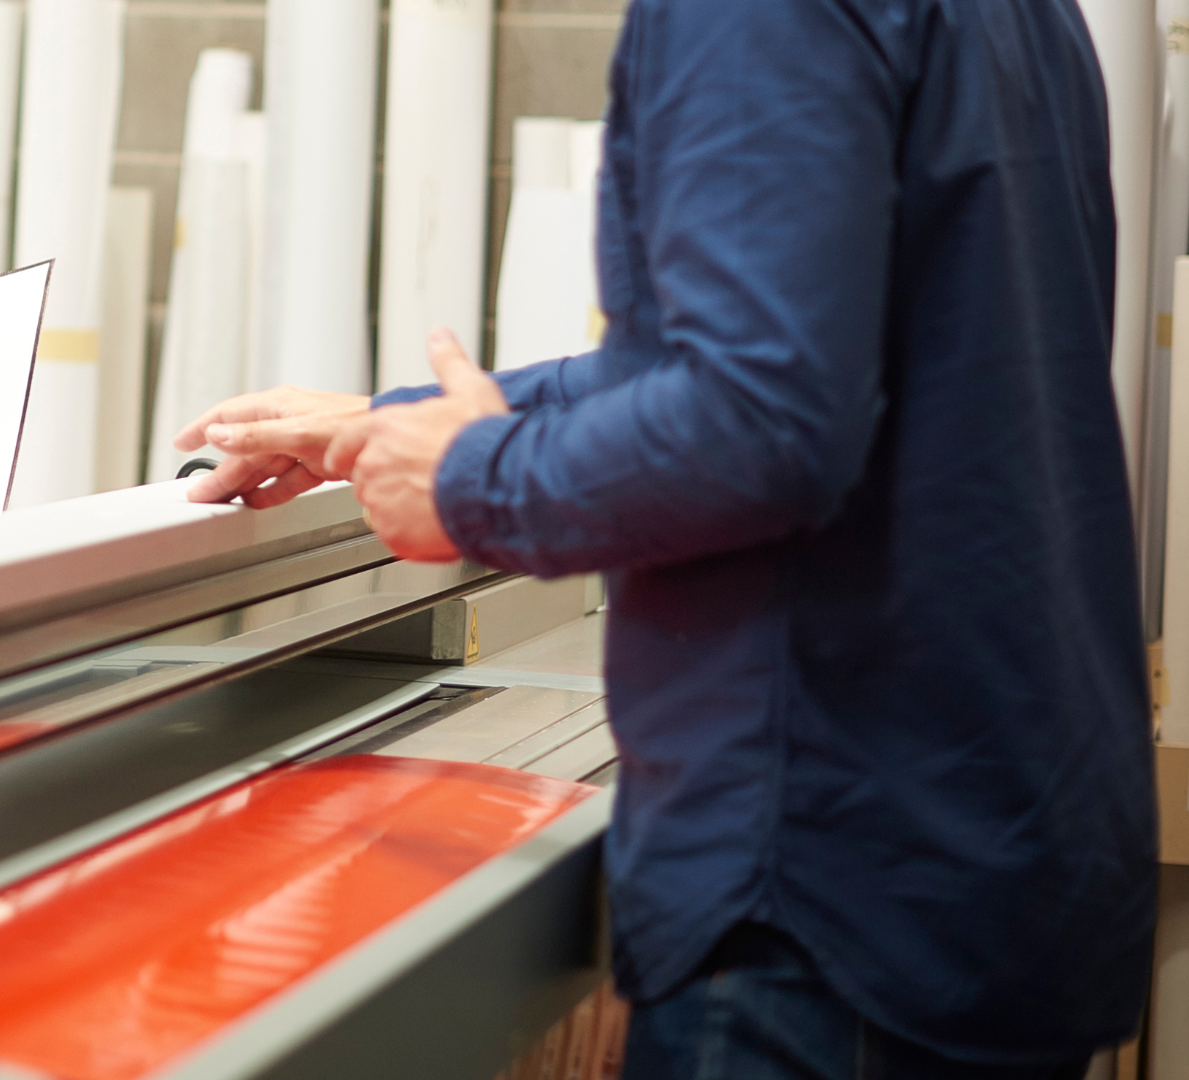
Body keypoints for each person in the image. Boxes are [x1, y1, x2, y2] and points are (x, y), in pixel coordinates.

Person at [178, 0, 1157, 1076]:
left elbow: (761, 422)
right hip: (989, 858)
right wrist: (396, 425)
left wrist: (468, 481)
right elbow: (796, 356)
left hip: (830, 893)